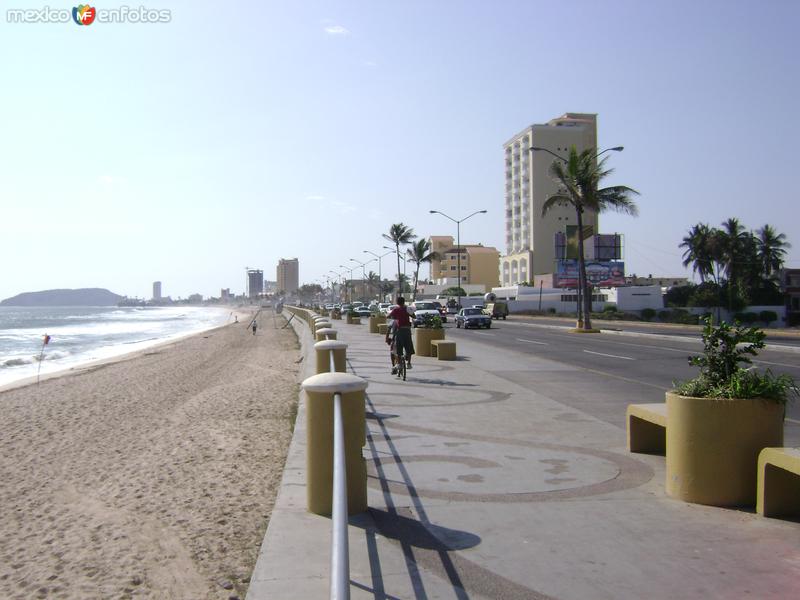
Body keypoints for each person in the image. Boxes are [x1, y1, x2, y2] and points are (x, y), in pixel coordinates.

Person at [387, 296, 414, 369]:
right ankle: (409, 363)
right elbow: (414, 316)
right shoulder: (407, 309)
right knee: (409, 346)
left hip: (400, 330)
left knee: (399, 347)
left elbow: (388, 316)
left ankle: (399, 363)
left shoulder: (396, 310)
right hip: (407, 330)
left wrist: (394, 317)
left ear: (397, 302)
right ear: (404, 302)